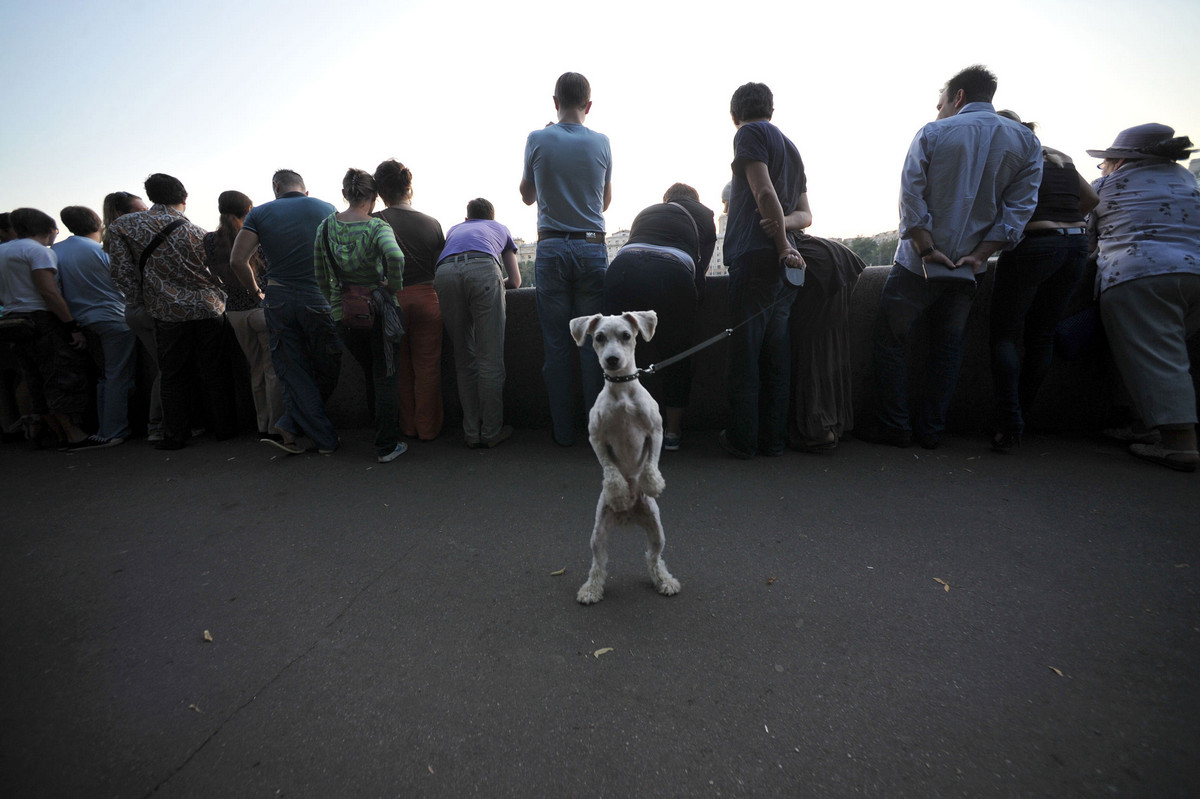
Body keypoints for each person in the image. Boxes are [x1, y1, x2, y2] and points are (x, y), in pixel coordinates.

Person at [865, 65, 1041, 450]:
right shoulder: (1026, 142)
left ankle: (895, 426)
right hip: (968, 270)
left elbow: (911, 200)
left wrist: (927, 250)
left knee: (890, 341)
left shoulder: (932, 132)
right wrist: (979, 256)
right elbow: (1017, 212)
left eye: (941, 102)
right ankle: (931, 430)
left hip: (917, 264)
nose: (939, 109)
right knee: (948, 349)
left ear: (958, 97)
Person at [1087, 123, 1200, 472]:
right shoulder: (1189, 183)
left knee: (1159, 360)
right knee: (1173, 353)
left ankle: (1179, 445)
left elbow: (1087, 243)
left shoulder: (1105, 186)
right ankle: (1145, 428)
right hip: (1196, 271)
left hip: (1139, 275)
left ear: (1119, 159)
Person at [987, 111, 1099, 452]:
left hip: (1035, 245)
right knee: (1042, 336)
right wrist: (1062, 221)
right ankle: (1022, 413)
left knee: (1004, 336)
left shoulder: (1007, 154)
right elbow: (1092, 200)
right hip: (1076, 245)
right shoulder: (1057, 154)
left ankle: (1009, 421)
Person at [107, 173, 236, 450]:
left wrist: (140, 299)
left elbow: (120, 271)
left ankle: (175, 434)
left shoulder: (124, 226)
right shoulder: (198, 233)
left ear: (151, 196)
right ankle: (225, 428)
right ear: (184, 198)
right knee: (214, 369)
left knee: (173, 374)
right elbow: (219, 274)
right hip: (208, 307)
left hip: (166, 310)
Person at [520, 71, 613, 446]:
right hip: (593, 244)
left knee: (557, 345)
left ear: (555, 102)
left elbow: (527, 195)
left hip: (553, 245)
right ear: (588, 105)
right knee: (594, 342)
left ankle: (562, 433)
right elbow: (605, 202)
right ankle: (595, 431)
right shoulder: (603, 142)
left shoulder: (537, 138)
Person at [719, 81, 807, 459]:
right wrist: (786, 233)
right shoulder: (791, 147)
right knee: (776, 356)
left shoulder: (749, 134)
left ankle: (743, 440)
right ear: (771, 109)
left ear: (734, 115)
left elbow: (762, 191)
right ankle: (773, 441)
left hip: (755, 257)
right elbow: (806, 214)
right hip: (787, 268)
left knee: (746, 354)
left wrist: (780, 243)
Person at [230, 169, 341, 456]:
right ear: (305, 190)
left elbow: (237, 259)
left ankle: (292, 426)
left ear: (275, 187)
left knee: (292, 371)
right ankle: (317, 436)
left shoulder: (260, 214)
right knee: (328, 365)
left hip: (278, 299)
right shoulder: (327, 209)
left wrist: (256, 292)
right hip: (318, 298)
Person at [603, 183, 716, 451]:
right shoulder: (703, 214)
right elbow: (702, 268)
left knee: (621, 353)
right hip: (671, 275)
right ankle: (673, 432)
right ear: (695, 199)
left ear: (666, 199)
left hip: (622, 270)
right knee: (678, 353)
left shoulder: (647, 211)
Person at [313, 168, 407, 463]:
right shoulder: (377, 227)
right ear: (374, 197)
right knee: (385, 376)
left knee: (370, 372)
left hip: (344, 316)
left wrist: (335, 304)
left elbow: (319, 275)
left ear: (345, 194)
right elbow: (396, 256)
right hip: (378, 312)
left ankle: (377, 433)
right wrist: (392, 285)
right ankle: (387, 445)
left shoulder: (325, 228)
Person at [0, 208, 95, 448]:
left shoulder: (2, 251)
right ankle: (73, 433)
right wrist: (71, 325)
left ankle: (55, 433)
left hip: (13, 321)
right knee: (58, 375)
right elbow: (48, 292)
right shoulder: (37, 251)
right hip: (41, 319)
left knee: (33, 379)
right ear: (48, 229)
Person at [434, 198, 521, 449]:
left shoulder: (454, 230)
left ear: (466, 219)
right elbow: (515, 281)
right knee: (490, 360)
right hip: (483, 268)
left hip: (445, 273)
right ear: (491, 218)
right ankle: (491, 431)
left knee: (464, 359)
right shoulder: (500, 228)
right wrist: (491, 287)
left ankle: (471, 432)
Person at [373, 159, 446, 441]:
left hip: (392, 302)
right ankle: (428, 428)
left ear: (381, 191)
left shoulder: (376, 221)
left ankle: (407, 427)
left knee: (399, 368)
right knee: (428, 367)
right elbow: (438, 267)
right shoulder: (432, 223)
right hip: (429, 299)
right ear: (409, 187)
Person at [53, 206, 136, 447]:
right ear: (98, 224)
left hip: (81, 320)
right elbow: (123, 283)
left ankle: (102, 429)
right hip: (113, 317)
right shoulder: (101, 251)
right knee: (118, 376)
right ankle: (114, 430)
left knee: (103, 376)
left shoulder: (55, 252)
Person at [204, 190, 284, 441]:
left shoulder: (209, 240)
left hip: (235, 313)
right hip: (261, 308)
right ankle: (276, 426)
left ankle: (261, 422)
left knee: (255, 369)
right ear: (249, 209)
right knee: (273, 369)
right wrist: (258, 292)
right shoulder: (256, 238)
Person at [101, 189, 161, 440]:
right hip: (145, 309)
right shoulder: (130, 239)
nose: (146, 215)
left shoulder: (113, 241)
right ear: (121, 215)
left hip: (131, 310)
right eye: (141, 211)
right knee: (167, 369)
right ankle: (158, 426)